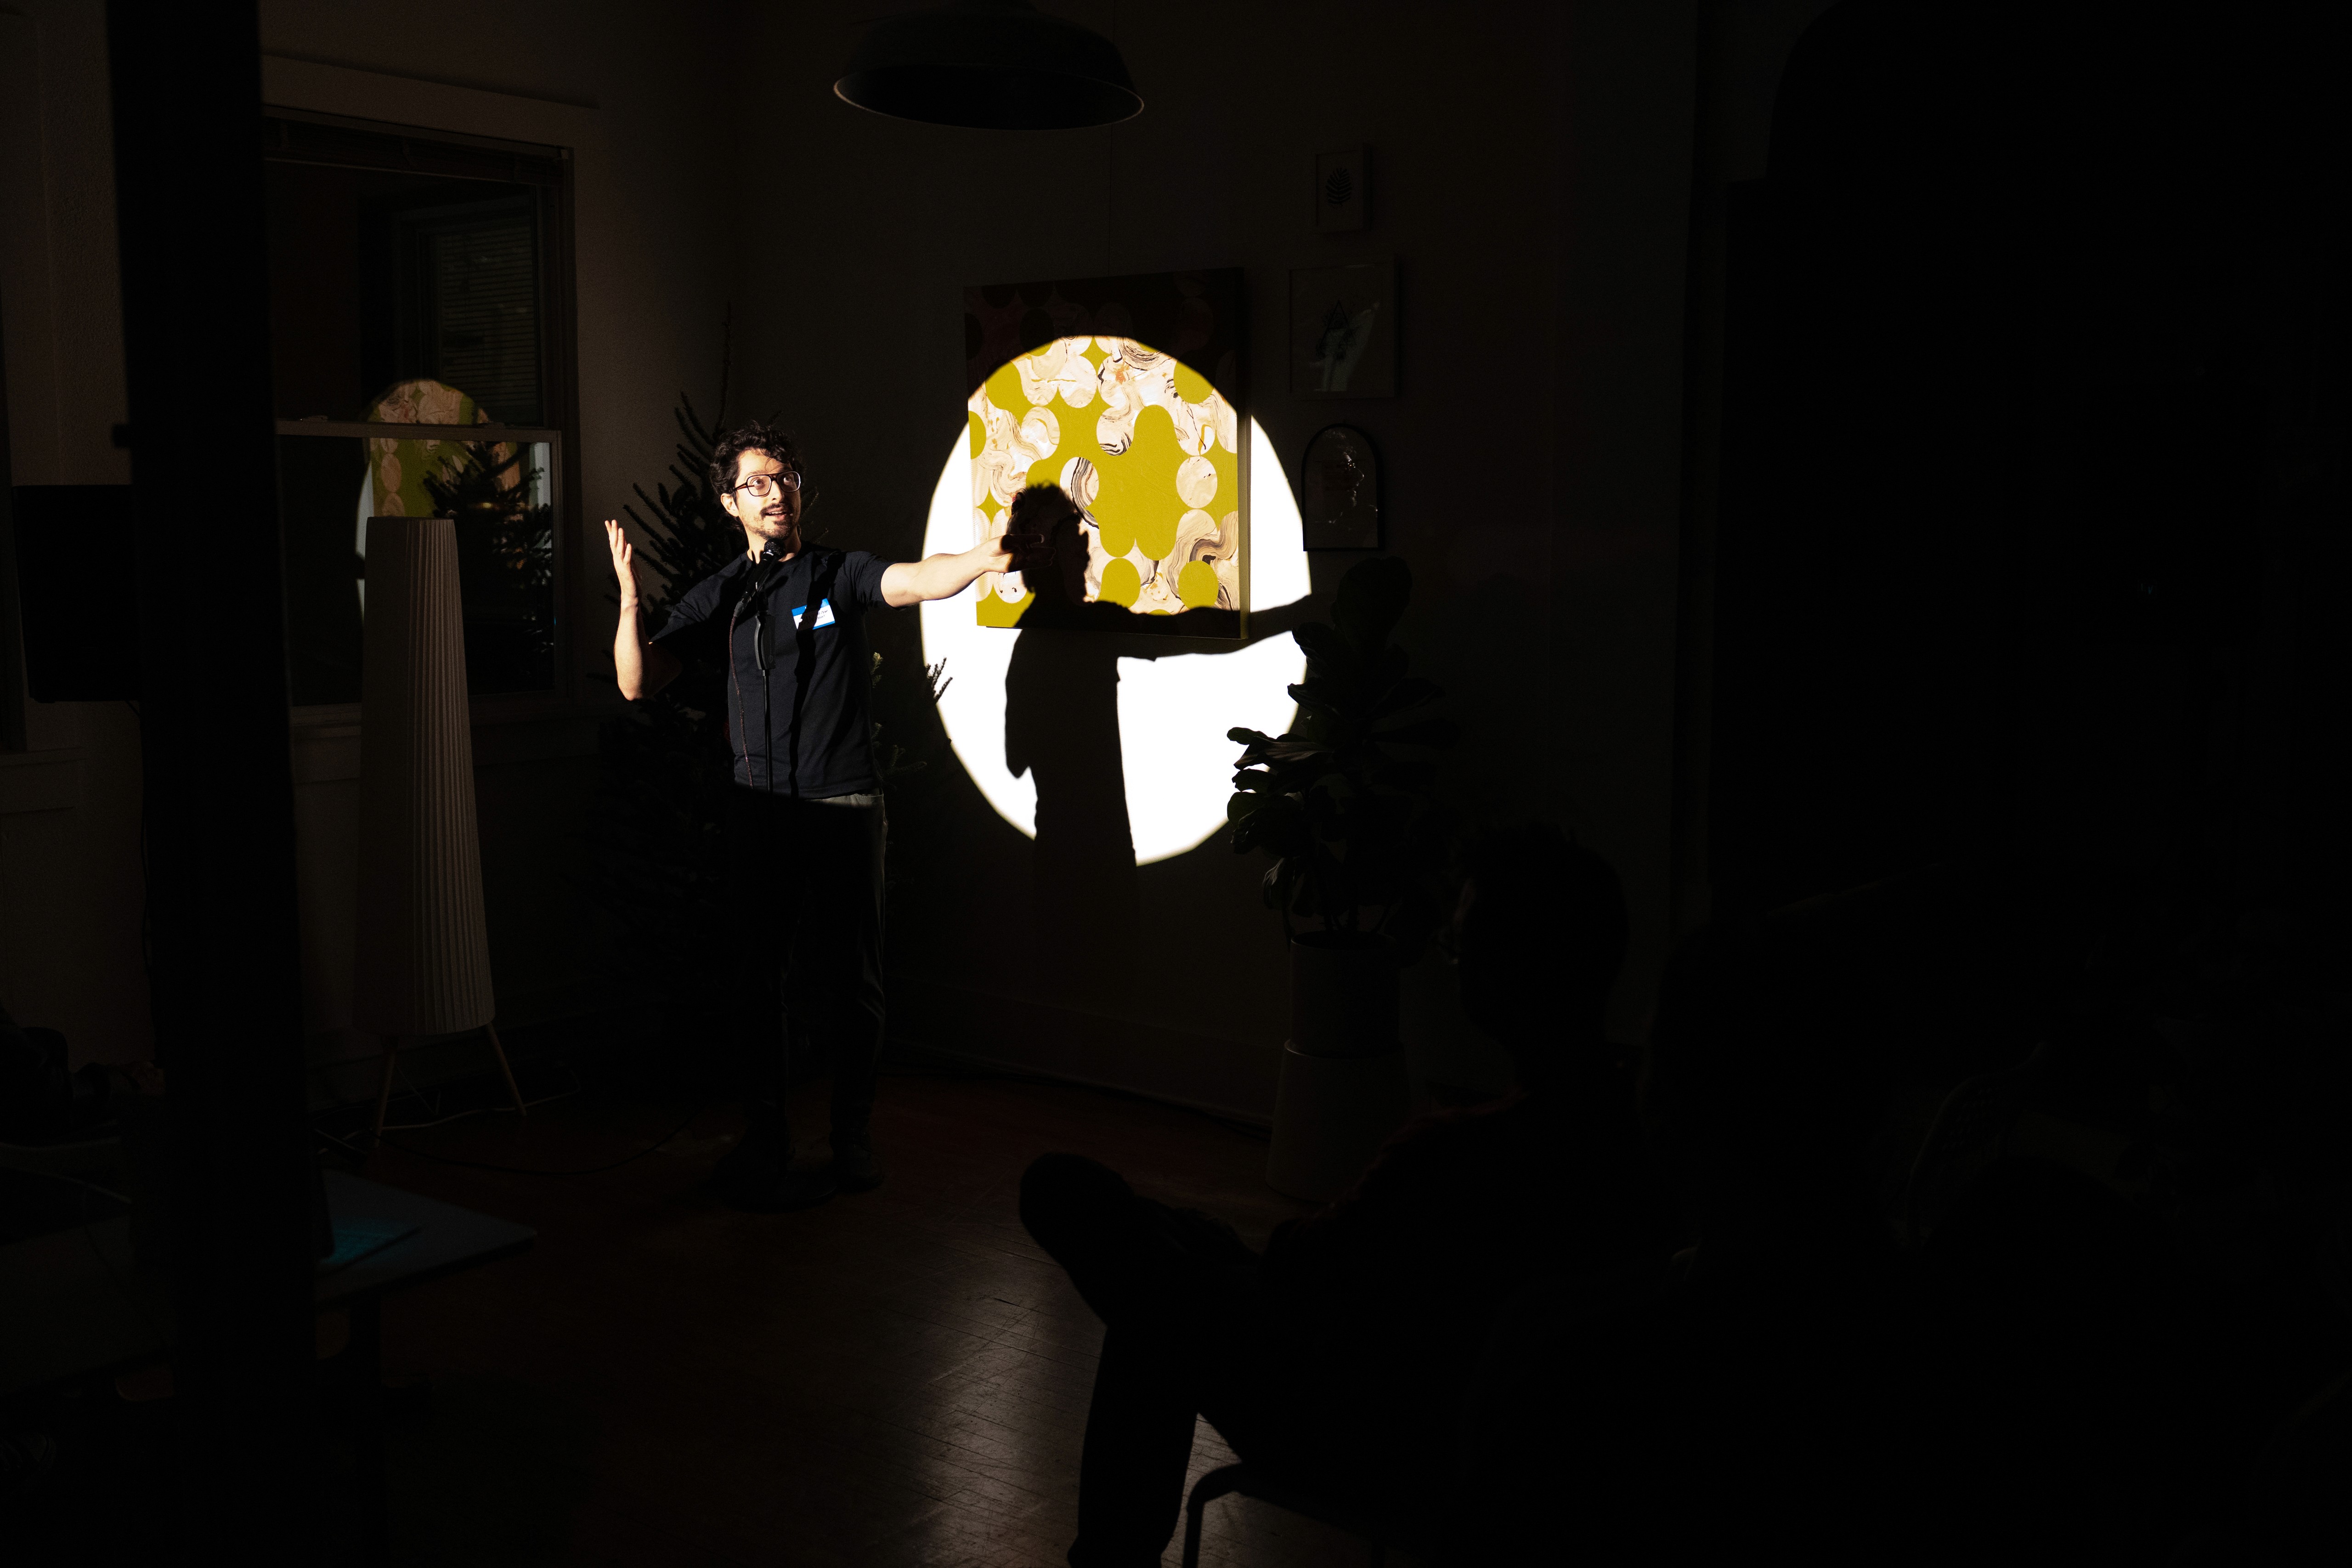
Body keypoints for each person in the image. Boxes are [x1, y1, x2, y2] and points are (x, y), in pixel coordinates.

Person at [1018, 826, 1674, 1566]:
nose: (1453, 962)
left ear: (1504, 968)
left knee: (1092, 1223)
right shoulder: (1648, 1140)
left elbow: (1304, 1274)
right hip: (1496, 1454)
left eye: (1459, 944)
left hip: (1363, 1432)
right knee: (1172, 1261)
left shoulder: (1452, 1155)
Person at [604, 422, 1012, 1211]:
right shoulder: (725, 595)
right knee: (758, 981)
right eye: (756, 482)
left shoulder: (836, 573)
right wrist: (629, 600)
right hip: (760, 810)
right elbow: (637, 682)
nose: (776, 492)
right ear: (730, 502)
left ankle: (851, 1136)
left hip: (844, 803)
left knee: (852, 981)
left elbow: (916, 580)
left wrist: (981, 559)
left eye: (784, 476)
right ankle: (766, 1140)